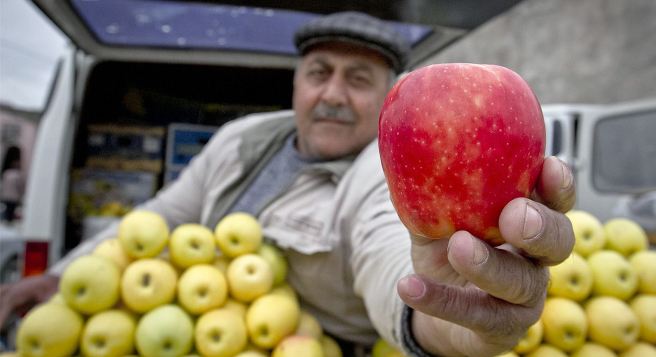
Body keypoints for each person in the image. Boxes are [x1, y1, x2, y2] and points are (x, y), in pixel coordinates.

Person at [0, 12, 575, 356]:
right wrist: (61, 275)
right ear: (297, 83)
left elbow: (390, 261)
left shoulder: (387, 180)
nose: (332, 95)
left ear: (390, 99)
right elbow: (163, 215)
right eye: (319, 74)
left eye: (358, 79)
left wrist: (459, 324)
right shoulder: (243, 138)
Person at [0, 146, 25, 223]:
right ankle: (9, 221)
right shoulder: (18, 174)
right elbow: (20, 187)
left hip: (6, 196)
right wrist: (21, 195)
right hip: (14, 197)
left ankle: (7, 220)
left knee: (8, 210)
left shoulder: (6, 173)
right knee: (11, 211)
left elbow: (3, 185)